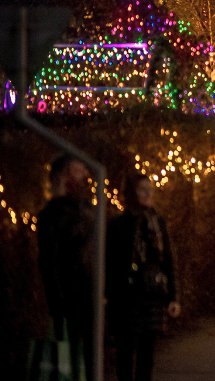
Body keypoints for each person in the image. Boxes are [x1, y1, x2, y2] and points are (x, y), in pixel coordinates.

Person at [107, 172, 180, 381]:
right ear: (131, 193)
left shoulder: (158, 222)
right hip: (127, 295)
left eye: (150, 189)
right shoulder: (119, 224)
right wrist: (108, 292)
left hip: (152, 294)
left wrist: (172, 296)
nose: (148, 194)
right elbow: (111, 262)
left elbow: (167, 260)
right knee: (125, 352)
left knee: (147, 355)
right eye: (142, 189)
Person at [38, 155, 96, 380]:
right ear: (66, 176)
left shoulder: (87, 209)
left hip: (89, 292)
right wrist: (56, 299)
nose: (85, 176)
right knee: (69, 352)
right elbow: (49, 259)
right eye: (79, 171)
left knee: (90, 351)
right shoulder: (53, 214)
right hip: (69, 294)